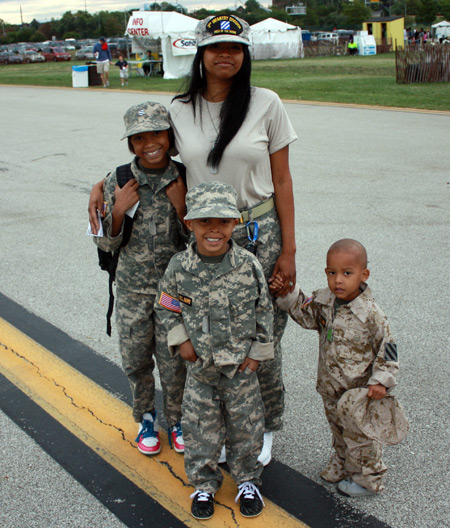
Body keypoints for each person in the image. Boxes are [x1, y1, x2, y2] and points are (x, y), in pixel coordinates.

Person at [169, 14, 298, 466]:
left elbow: (282, 180)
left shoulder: (266, 103)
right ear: (200, 54)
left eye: (236, 47)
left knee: (263, 340)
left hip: (259, 235)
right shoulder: (179, 108)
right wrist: (103, 186)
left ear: (245, 55)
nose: (226, 54)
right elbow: (152, 160)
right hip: (208, 242)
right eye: (216, 47)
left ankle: (263, 428)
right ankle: (224, 427)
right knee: (212, 340)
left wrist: (289, 250)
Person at [155, 181, 274, 519]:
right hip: (201, 371)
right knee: (199, 431)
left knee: (246, 428)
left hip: (240, 370)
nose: (214, 229)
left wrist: (255, 355)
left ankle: (247, 480)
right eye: (204, 221)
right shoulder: (180, 267)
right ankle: (204, 487)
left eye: (222, 221)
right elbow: (165, 306)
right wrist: (182, 341)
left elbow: (264, 310)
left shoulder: (248, 265)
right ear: (190, 224)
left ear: (234, 223)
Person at [271, 239, 402, 497]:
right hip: (331, 386)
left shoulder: (372, 315)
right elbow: (306, 314)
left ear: (363, 275)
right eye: (332, 273)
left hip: (358, 392)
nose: (338, 280)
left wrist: (381, 380)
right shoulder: (326, 301)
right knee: (338, 428)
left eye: (347, 273)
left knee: (361, 436)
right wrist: (285, 292)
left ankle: (368, 479)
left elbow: (388, 349)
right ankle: (343, 463)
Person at [93, 101, 188, 456]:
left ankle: (177, 419)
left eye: (157, 133)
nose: (149, 142)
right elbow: (103, 241)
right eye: (139, 137)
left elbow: (200, 244)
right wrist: (118, 209)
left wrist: (182, 208)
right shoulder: (116, 181)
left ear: (169, 136)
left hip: (171, 292)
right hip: (132, 290)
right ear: (130, 143)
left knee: (174, 359)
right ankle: (145, 416)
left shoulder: (184, 179)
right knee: (135, 357)